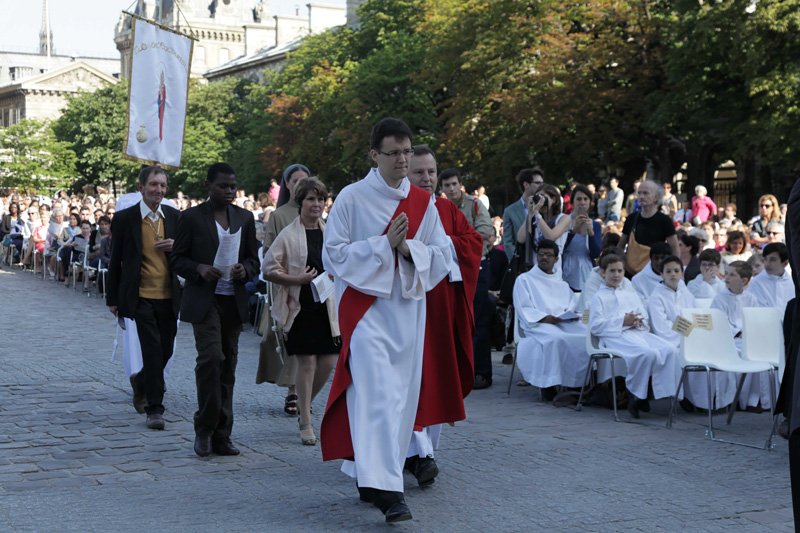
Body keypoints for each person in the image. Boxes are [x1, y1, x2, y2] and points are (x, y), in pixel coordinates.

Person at [320, 118, 453, 523]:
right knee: (377, 394)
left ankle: (371, 474)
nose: (402, 159)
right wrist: (383, 246)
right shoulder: (351, 198)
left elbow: (442, 254)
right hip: (365, 313)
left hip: (407, 313)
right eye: (393, 153)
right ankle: (387, 491)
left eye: (407, 152)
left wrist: (409, 250)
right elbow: (334, 255)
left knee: (397, 402)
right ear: (374, 155)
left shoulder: (423, 202)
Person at [170, 163, 260, 457]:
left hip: (231, 300)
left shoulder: (244, 218)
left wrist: (243, 270)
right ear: (209, 186)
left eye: (233, 186)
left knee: (228, 365)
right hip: (204, 300)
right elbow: (177, 259)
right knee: (211, 359)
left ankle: (223, 433)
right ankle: (204, 428)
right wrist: (199, 268)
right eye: (223, 186)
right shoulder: (192, 218)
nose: (230, 191)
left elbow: (253, 260)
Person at [404, 145, 482, 486]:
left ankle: (426, 453)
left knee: (434, 379)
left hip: (440, 310)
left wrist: (443, 245)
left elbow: (472, 241)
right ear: (405, 173)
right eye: (419, 172)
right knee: (410, 382)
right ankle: (416, 453)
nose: (427, 178)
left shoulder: (447, 209)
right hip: (407, 308)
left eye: (431, 172)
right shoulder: (399, 208)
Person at [263, 177, 340, 446]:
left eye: (320, 199)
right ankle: (306, 421)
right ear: (300, 202)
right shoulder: (289, 234)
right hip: (300, 306)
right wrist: (296, 279)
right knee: (306, 362)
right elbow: (269, 268)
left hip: (327, 306)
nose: (316, 204)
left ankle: (305, 405)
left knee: (329, 362)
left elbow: (342, 263)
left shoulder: (330, 231)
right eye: (311, 199)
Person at [106, 166, 182, 431]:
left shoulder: (174, 217)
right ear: (141, 187)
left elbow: (186, 255)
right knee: (151, 349)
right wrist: (112, 298)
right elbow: (115, 261)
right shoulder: (125, 218)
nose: (158, 190)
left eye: (162, 185)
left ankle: (141, 380)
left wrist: (176, 246)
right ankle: (155, 409)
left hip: (170, 296)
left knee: (166, 350)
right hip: (140, 296)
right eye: (153, 185)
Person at [589, 253, 678, 419]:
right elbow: (595, 326)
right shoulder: (598, 298)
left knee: (669, 349)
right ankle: (636, 395)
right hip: (615, 337)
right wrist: (622, 321)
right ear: (603, 273)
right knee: (646, 353)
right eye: (612, 271)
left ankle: (658, 393)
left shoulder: (630, 294)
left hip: (637, 333)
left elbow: (643, 315)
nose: (616, 275)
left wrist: (638, 321)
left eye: (620, 271)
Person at [648, 256, 736, 411]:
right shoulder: (656, 297)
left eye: (676, 271)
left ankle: (718, 399)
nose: (673, 274)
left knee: (717, 350)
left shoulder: (685, 292)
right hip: (670, 340)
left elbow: (695, 314)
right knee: (691, 354)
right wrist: (689, 328)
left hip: (691, 334)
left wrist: (699, 327)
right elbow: (662, 327)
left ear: (682, 273)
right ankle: (696, 400)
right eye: (668, 271)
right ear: (661, 274)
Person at [262, 162, 311, 417]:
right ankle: (294, 391)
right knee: (293, 339)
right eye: (295, 182)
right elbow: (268, 252)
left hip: (311, 286)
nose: (300, 186)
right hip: (287, 286)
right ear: (287, 185)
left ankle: (304, 392)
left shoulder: (316, 213)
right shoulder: (280, 215)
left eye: (305, 180)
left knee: (310, 344)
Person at [439, 167, 494, 389]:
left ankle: (482, 372)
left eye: (454, 184)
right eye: (446, 185)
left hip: (476, 265)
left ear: (460, 185)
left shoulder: (474, 204)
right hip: (451, 269)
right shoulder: (438, 207)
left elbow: (483, 233)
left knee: (478, 320)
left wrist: (455, 238)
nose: (451, 189)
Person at [513, 239, 587, 400]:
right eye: (541, 254)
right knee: (555, 339)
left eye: (548, 255)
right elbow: (524, 308)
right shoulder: (525, 280)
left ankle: (577, 384)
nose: (544, 258)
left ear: (556, 258)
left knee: (584, 337)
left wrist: (568, 315)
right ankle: (549, 385)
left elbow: (572, 305)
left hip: (562, 323)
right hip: (538, 324)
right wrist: (545, 318)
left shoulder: (561, 283)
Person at [710, 261, 763, 411]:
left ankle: (749, 401)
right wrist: (738, 331)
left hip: (745, 340)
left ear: (744, 280)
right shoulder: (720, 299)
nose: (726, 277)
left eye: (732, 274)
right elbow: (718, 322)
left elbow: (754, 320)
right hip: (727, 340)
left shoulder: (751, 298)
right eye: (726, 273)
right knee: (733, 355)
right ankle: (727, 401)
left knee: (755, 355)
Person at [619, 181, 678, 276]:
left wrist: (674, 270)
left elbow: (674, 247)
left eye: (645, 193)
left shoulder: (665, 220)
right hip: (630, 273)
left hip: (654, 274)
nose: (641, 196)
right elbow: (621, 245)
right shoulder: (631, 218)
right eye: (639, 193)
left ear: (656, 197)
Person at [517, 184, 566, 271]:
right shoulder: (534, 218)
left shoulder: (563, 218)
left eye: (543, 197)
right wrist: (530, 213)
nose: (541, 201)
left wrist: (537, 213)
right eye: (538, 197)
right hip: (534, 270)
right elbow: (520, 239)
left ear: (554, 199)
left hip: (553, 271)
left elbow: (551, 237)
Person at [502, 168, 544, 261]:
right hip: (522, 263)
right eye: (538, 183)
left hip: (544, 261)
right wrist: (516, 261)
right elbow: (508, 242)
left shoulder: (546, 207)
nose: (542, 186)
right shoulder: (510, 211)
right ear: (526, 184)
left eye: (542, 183)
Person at [746, 242, 793, 313]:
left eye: (773, 259)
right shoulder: (755, 283)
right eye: (765, 259)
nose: (767, 264)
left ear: (785, 263)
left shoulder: (792, 283)